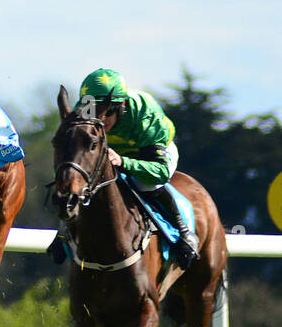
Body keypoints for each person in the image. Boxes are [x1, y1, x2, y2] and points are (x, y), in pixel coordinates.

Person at [48, 69, 199, 269]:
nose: (99, 117)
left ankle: (184, 233)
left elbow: (160, 171)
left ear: (122, 105)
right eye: (93, 109)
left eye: (106, 111)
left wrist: (124, 162)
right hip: (107, 153)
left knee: (146, 184)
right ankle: (62, 233)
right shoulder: (84, 111)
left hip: (150, 154)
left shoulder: (145, 114)